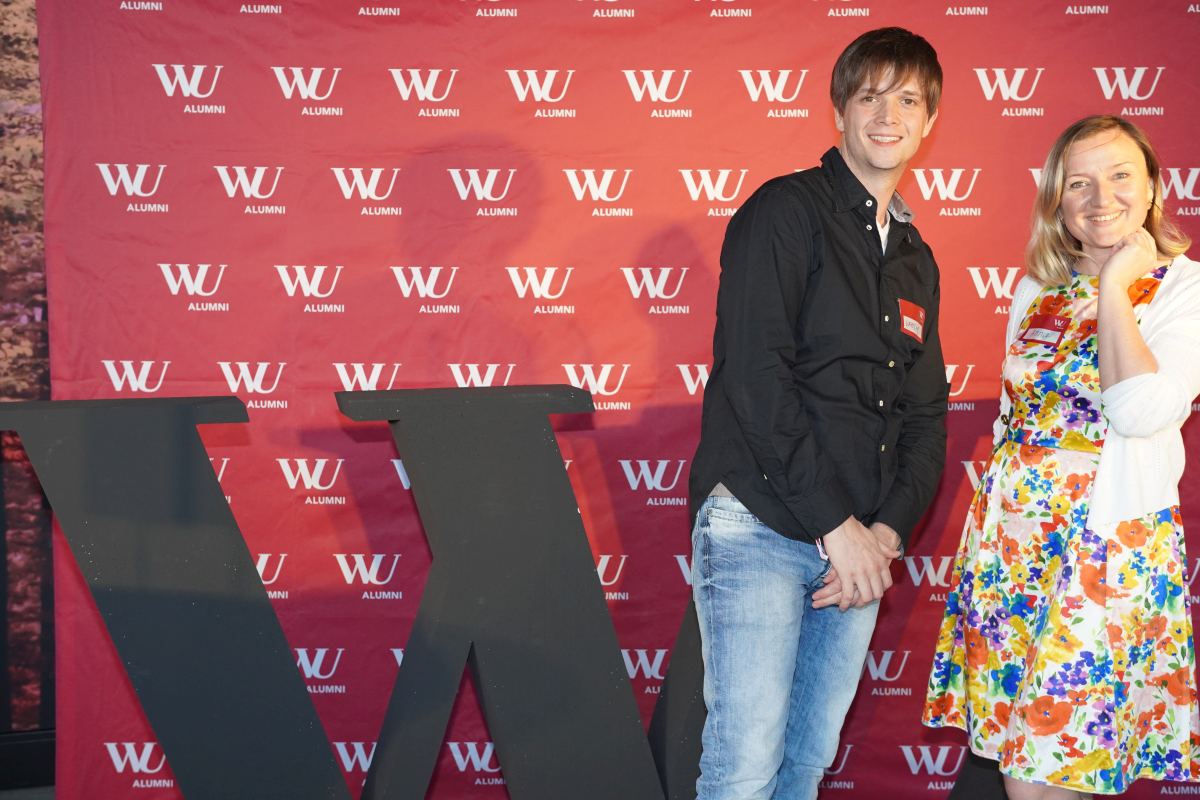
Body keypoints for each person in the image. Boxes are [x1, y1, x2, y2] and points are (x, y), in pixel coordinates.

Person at [687, 27, 948, 800]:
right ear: (840, 110)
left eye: (908, 101)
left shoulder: (915, 258)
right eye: (870, 97)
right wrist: (837, 527)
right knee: (744, 769)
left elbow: (925, 416)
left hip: (857, 549)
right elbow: (757, 381)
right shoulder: (785, 211)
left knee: (804, 767)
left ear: (930, 121)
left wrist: (885, 534)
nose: (888, 116)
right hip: (762, 525)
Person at [924, 115, 1200, 798]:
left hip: (1105, 551)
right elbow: (1014, 415)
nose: (1101, 198)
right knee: (1025, 766)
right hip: (1014, 554)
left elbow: (1139, 409)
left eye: (1120, 176)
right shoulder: (1035, 289)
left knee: (1054, 772)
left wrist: (1117, 286)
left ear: (1153, 187)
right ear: (1056, 198)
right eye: (1079, 183)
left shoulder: (1183, 289)